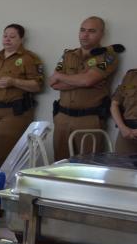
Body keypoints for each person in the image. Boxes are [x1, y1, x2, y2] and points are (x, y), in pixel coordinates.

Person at [48, 16, 121, 160]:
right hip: (62, 118)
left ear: (101, 34)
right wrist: (81, 80)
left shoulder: (107, 57)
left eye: (91, 31)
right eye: (82, 30)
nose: (85, 35)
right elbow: (53, 83)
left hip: (89, 120)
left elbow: (87, 80)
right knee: (59, 165)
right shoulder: (68, 54)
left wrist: (68, 78)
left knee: (87, 166)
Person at [0, 24, 44, 166]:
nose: (7, 39)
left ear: (21, 39)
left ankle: (3, 186)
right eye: (5, 36)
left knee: (4, 155)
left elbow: (37, 85)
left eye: (12, 37)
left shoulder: (29, 59)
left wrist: (14, 82)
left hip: (12, 112)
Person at [111, 68, 137, 154]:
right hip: (126, 132)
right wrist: (123, 128)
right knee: (120, 165)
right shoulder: (131, 75)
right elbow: (114, 104)